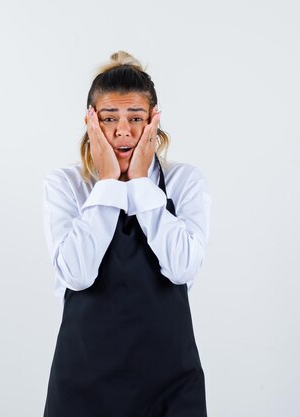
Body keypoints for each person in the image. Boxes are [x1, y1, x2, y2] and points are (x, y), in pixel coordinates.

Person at [42, 51, 211, 416]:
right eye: (109, 118)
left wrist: (139, 183)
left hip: (171, 383)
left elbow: (182, 268)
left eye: (136, 118)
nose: (123, 130)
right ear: (90, 122)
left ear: (154, 122)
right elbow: (76, 274)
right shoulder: (66, 186)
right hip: (83, 382)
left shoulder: (184, 182)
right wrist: (107, 184)